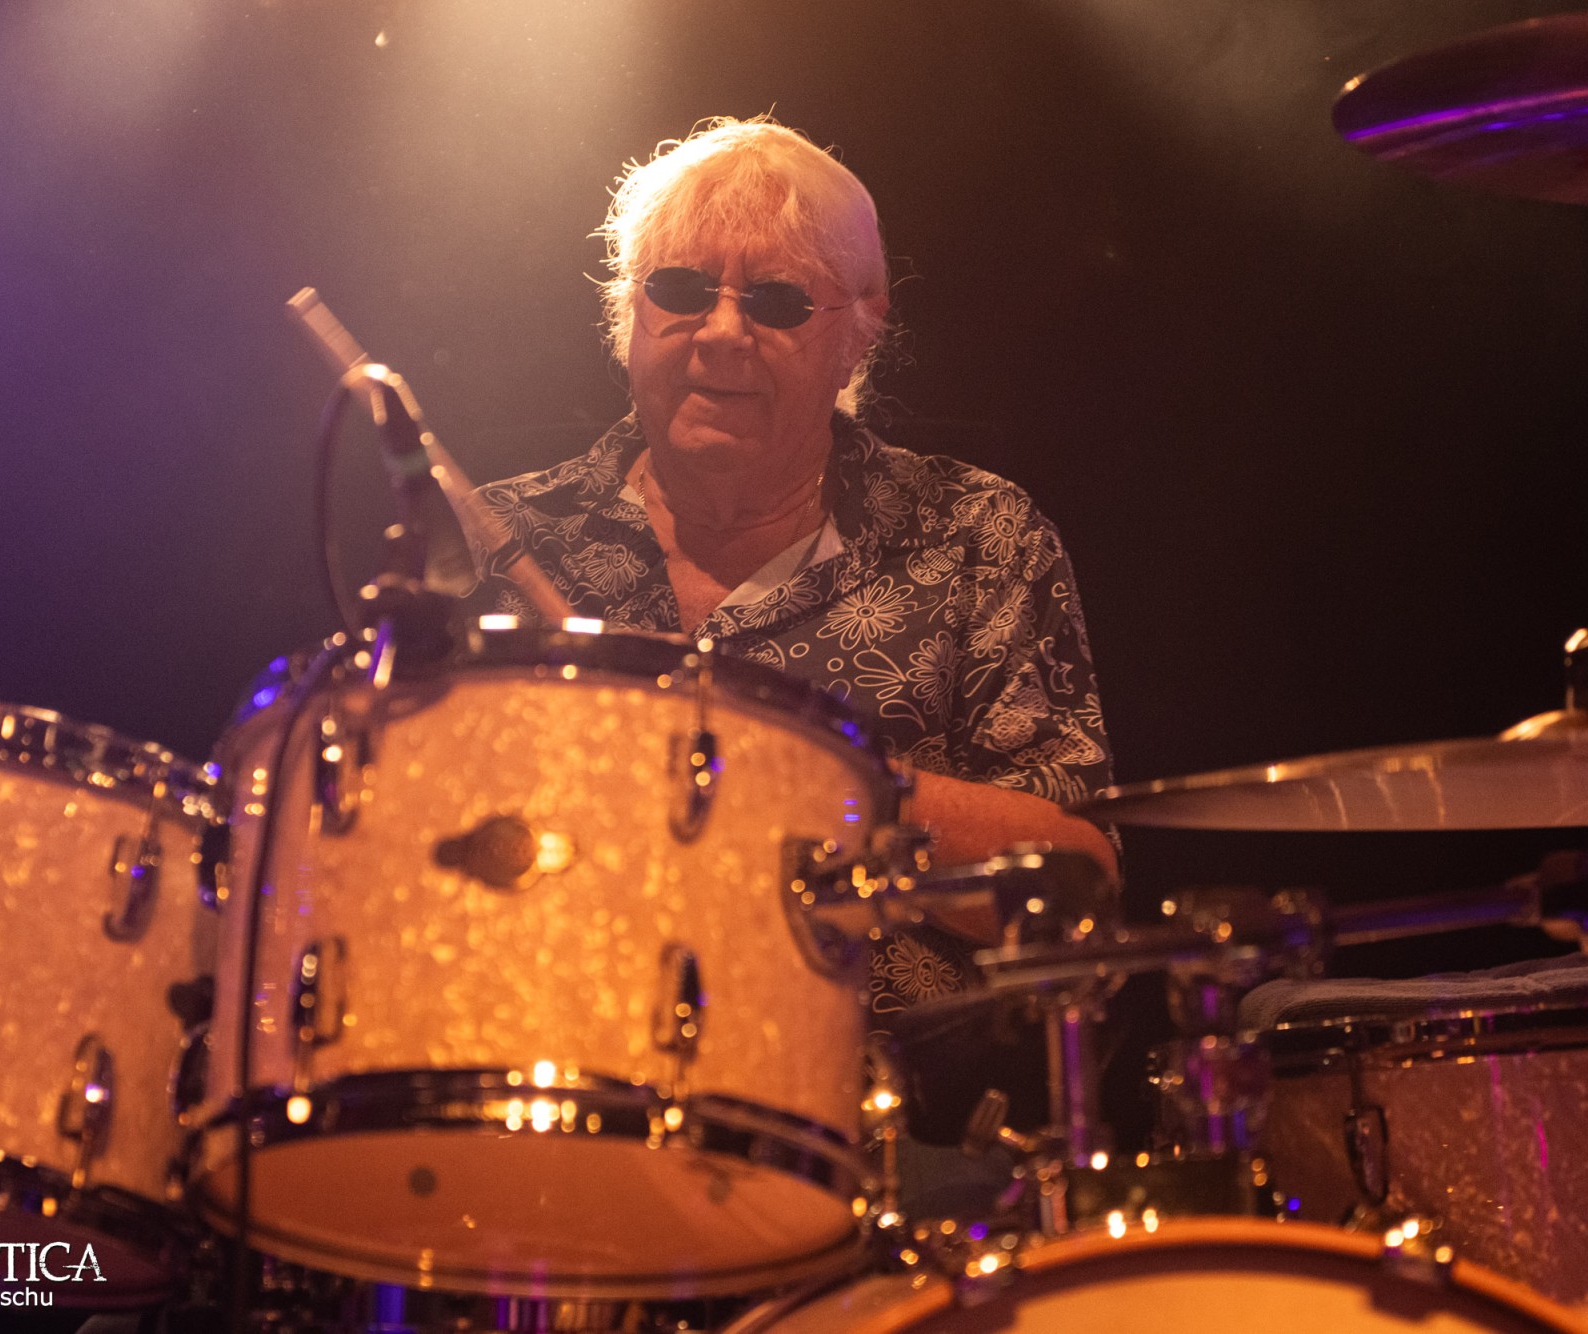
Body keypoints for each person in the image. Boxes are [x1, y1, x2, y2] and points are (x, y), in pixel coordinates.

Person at [469, 115, 1117, 1029]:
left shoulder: (979, 537)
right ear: (628, 315)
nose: (722, 331)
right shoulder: (499, 542)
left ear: (859, 335)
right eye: (681, 288)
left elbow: (1079, 891)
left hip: (885, 1095)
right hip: (543, 1071)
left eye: (777, 302)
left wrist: (794, 772)